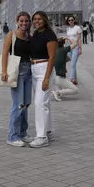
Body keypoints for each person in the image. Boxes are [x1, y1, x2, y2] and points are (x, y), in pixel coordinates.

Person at [1, 12, 33, 147]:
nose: (24, 23)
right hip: (16, 71)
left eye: (26, 21)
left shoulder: (29, 36)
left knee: (25, 105)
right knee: (17, 105)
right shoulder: (11, 35)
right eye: (21, 21)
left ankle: (22, 133)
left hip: (29, 71)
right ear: (17, 21)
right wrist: (4, 71)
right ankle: (12, 136)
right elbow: (4, 53)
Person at [29, 11, 58, 148]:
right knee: (44, 102)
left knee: (40, 103)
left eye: (39, 19)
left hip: (44, 69)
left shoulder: (49, 35)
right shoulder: (35, 34)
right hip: (35, 68)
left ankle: (41, 137)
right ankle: (48, 129)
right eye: (34, 19)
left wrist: (46, 78)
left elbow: (52, 57)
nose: (36, 21)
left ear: (45, 20)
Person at [66, 15, 82, 85]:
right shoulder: (68, 29)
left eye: (72, 20)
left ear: (74, 20)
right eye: (69, 20)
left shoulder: (77, 28)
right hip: (69, 47)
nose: (70, 21)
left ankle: (72, 79)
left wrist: (80, 48)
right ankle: (75, 80)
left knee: (72, 64)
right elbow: (68, 38)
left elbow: (79, 39)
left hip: (75, 47)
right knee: (73, 64)